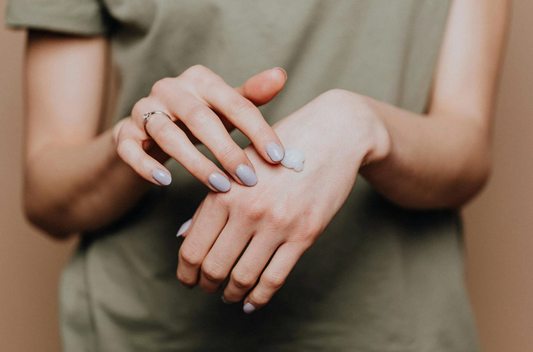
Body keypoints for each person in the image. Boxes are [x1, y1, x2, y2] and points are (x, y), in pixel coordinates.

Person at [5, 0, 509, 350]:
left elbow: (465, 154)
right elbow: (47, 195)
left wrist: (363, 127)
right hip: (145, 329)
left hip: (390, 328)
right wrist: (141, 143)